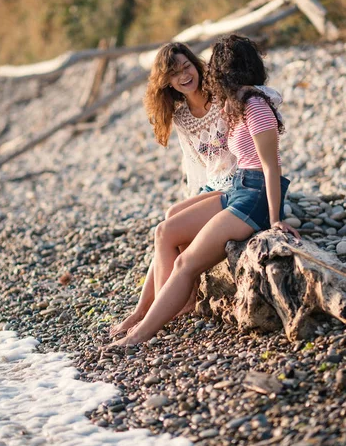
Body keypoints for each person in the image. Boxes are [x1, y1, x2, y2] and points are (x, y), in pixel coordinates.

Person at [110, 34, 299, 347]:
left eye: (214, 69)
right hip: (238, 189)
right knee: (166, 228)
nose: (210, 75)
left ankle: (142, 332)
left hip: (251, 195)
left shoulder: (254, 105)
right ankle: (150, 313)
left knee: (185, 263)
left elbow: (272, 167)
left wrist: (276, 218)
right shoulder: (238, 104)